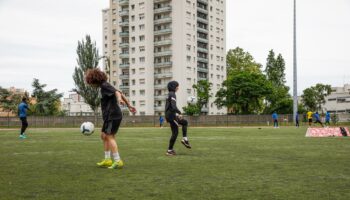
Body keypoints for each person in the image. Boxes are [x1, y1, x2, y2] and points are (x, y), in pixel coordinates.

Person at [85, 68, 136, 169]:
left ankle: (117, 161)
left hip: (113, 115)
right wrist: (129, 105)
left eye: (90, 83)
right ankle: (107, 159)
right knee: (104, 135)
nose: (91, 85)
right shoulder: (104, 86)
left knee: (109, 136)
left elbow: (118, 94)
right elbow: (119, 92)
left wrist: (119, 99)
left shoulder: (104, 86)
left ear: (93, 80)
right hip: (110, 116)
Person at [165, 81, 191, 156]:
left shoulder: (170, 94)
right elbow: (173, 107)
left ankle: (185, 139)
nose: (178, 87)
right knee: (175, 133)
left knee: (184, 122)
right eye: (177, 86)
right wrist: (179, 113)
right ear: (173, 86)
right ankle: (169, 150)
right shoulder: (172, 94)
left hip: (170, 115)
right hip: (171, 116)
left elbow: (170, 107)